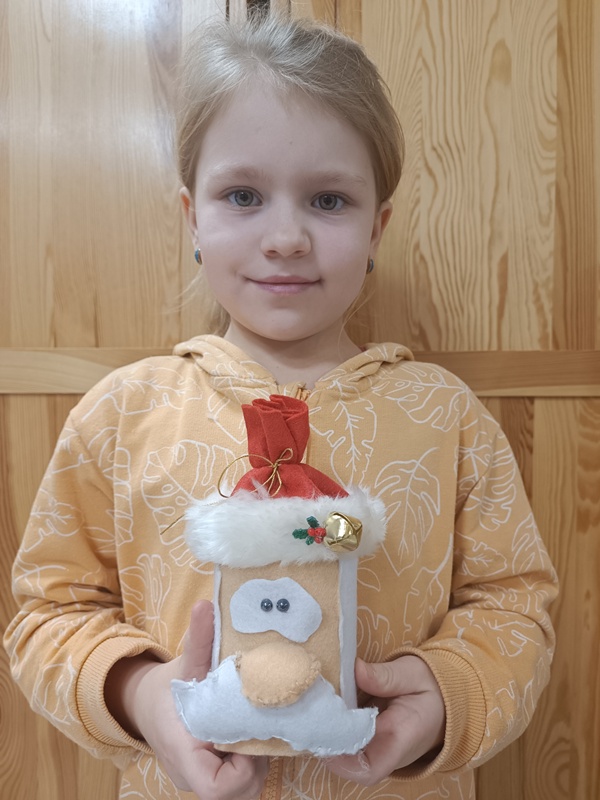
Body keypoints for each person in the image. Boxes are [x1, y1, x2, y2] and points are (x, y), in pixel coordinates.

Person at [4, 13, 557, 800]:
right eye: (243, 195)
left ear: (377, 228)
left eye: (329, 200)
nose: (287, 237)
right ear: (193, 217)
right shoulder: (121, 415)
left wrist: (444, 695)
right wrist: (142, 694)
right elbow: (49, 614)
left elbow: (514, 604)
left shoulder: (447, 418)